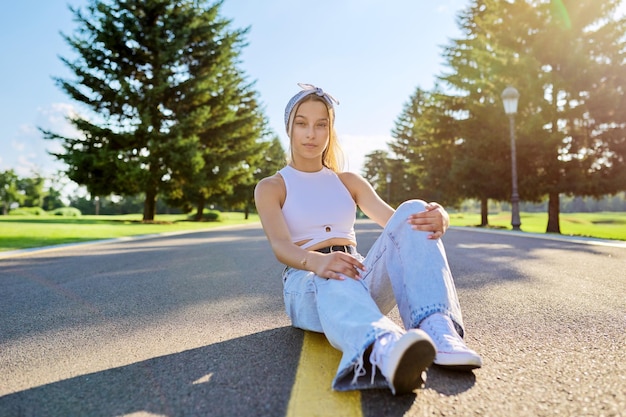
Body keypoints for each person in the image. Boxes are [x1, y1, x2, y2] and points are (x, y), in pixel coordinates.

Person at [254, 83, 482, 395]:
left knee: (413, 210)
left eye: (321, 125)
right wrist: (319, 262)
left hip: (358, 277)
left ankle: (436, 327)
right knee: (336, 270)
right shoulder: (272, 186)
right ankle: (384, 348)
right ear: (289, 128)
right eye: (302, 123)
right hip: (306, 281)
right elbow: (281, 247)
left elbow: (401, 225)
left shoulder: (348, 182)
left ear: (330, 131)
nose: (311, 134)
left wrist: (441, 216)